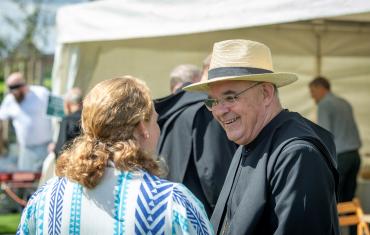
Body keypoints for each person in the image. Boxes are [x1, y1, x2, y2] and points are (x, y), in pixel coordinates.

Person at [17, 76, 213, 234]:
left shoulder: (46, 197)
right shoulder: (172, 202)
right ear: (143, 127)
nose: (157, 129)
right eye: (155, 121)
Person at [184, 39, 339, 234]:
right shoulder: (250, 141)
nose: (219, 111)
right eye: (213, 101)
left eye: (230, 97)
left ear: (266, 93)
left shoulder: (297, 155)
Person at [155, 62, 237, 217]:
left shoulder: (163, 116)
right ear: (197, 79)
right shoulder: (204, 109)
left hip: (171, 215)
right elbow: (214, 173)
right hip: (203, 217)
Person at [309, 76, 361, 202]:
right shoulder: (344, 102)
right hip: (355, 156)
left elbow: (324, 134)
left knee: (334, 198)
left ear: (320, 88)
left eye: (312, 92)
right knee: (349, 197)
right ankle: (353, 222)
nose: (312, 96)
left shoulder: (324, 105)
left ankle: (339, 223)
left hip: (340, 158)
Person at [0, 72, 52, 172]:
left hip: (46, 147)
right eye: (10, 88)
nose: (13, 92)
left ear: (23, 85)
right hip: (26, 149)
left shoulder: (41, 93)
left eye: (15, 88)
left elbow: (58, 113)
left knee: (45, 179)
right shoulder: (10, 100)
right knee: (26, 180)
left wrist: (55, 141)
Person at [54, 87, 83, 157]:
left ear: (67, 104)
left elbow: (60, 148)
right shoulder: (87, 118)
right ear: (82, 103)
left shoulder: (67, 120)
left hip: (71, 162)